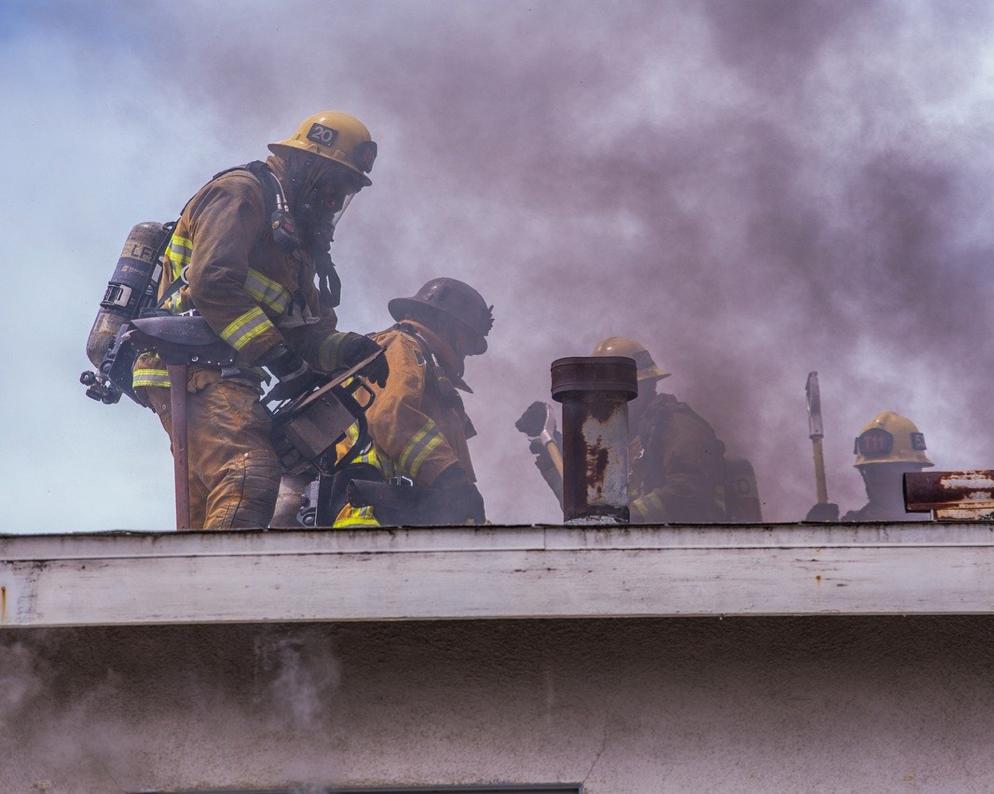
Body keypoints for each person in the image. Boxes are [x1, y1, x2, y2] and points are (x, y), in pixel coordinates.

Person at [132, 110, 389, 529]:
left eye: (346, 191)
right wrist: (277, 356)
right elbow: (213, 282)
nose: (335, 200)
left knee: (209, 504)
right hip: (186, 364)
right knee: (247, 474)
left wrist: (349, 349)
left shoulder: (294, 241)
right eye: (334, 184)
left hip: (227, 374)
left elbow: (304, 332)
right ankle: (230, 573)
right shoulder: (242, 193)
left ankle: (196, 571)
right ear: (306, 164)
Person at [518, 337, 740, 523]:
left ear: (642, 388)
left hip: (690, 549)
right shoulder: (618, 442)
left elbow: (689, 489)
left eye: (612, 392)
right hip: (641, 550)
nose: (602, 401)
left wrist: (627, 515)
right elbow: (587, 510)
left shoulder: (678, 426)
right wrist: (550, 446)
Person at [330, 277, 493, 527]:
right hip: (368, 516)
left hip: (404, 521)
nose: (466, 352)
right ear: (446, 324)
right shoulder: (401, 345)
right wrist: (450, 475)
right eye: (467, 339)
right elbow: (391, 416)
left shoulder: (434, 377)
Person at [805, 411, 933, 522]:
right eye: (871, 471)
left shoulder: (937, 523)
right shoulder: (853, 526)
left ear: (915, 470)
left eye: (888, 471)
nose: (877, 480)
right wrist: (821, 534)